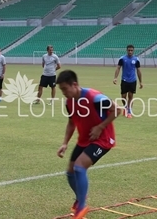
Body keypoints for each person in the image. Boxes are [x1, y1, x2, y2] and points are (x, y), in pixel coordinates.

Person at [56, 70, 121, 219]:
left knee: (79, 167)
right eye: (61, 90)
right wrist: (65, 143)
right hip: (84, 140)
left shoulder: (95, 97)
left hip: (103, 140)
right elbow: (71, 123)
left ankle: (82, 208)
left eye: (65, 89)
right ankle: (80, 199)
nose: (64, 93)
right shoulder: (69, 102)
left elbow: (117, 109)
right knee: (70, 172)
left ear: (75, 85)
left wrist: (100, 127)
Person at [113, 44, 143, 118]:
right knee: (123, 97)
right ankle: (126, 107)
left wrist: (141, 82)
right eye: (129, 50)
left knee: (130, 96)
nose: (130, 52)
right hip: (124, 80)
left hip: (133, 80)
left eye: (131, 50)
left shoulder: (136, 59)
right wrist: (115, 78)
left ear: (133, 51)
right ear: (126, 50)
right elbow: (118, 68)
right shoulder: (122, 59)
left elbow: (138, 70)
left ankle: (129, 111)